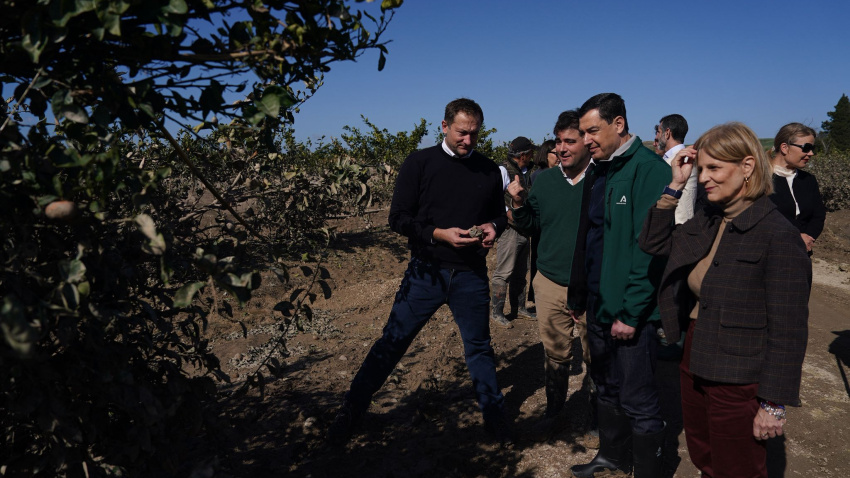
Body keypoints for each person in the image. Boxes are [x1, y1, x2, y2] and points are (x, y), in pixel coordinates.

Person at [328, 98, 514, 446]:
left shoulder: (489, 171)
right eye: (462, 133)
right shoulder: (420, 163)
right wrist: (437, 234)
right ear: (444, 126)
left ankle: (495, 417)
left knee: (478, 348)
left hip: (470, 276)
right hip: (425, 274)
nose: (468, 141)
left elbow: (499, 216)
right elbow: (397, 218)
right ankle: (351, 409)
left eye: (475, 134)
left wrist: (493, 227)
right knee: (393, 342)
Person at [639, 122, 811, 478]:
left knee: (739, 466)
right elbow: (653, 243)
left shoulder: (778, 236)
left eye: (714, 168)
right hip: (695, 356)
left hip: (740, 377)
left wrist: (773, 404)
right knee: (705, 457)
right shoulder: (709, 219)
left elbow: (789, 330)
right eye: (702, 169)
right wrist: (674, 186)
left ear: (747, 167)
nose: (703, 178)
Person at [571, 93, 671, 478]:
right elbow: (590, 238)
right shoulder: (600, 169)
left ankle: (647, 472)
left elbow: (649, 252)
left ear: (619, 124)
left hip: (631, 312)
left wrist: (630, 313)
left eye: (592, 131)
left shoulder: (648, 170)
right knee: (607, 385)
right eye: (583, 132)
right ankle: (612, 456)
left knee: (638, 397)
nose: (586, 140)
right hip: (599, 303)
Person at [507, 110, 593, 441]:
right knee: (555, 353)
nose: (562, 148)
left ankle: (597, 420)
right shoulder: (544, 181)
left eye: (570, 141)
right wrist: (517, 205)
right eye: (558, 141)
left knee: (595, 356)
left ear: (587, 142)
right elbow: (532, 225)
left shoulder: (603, 180)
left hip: (591, 286)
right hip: (550, 283)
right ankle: (555, 412)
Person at [491, 137, 537, 327]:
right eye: (530, 153)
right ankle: (497, 312)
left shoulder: (525, 171)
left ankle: (519, 309)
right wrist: (508, 215)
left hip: (524, 229)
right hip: (510, 230)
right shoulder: (503, 170)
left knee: (521, 271)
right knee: (504, 272)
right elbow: (493, 200)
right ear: (523, 155)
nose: (532, 155)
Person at [768, 122, 826, 256]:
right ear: (784, 147)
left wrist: (808, 238)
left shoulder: (808, 180)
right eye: (806, 147)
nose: (811, 153)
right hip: (770, 253)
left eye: (812, 148)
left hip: (801, 253)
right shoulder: (760, 179)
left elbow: (818, 215)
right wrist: (795, 237)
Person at [527, 139, 558, 309]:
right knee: (539, 260)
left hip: (547, 225)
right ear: (546, 155)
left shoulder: (552, 173)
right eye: (555, 153)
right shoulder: (540, 175)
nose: (559, 156)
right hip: (542, 226)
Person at [655, 114, 698, 224]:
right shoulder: (683, 158)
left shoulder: (681, 160)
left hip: (677, 226)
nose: (657, 137)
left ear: (667, 133)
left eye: (659, 132)